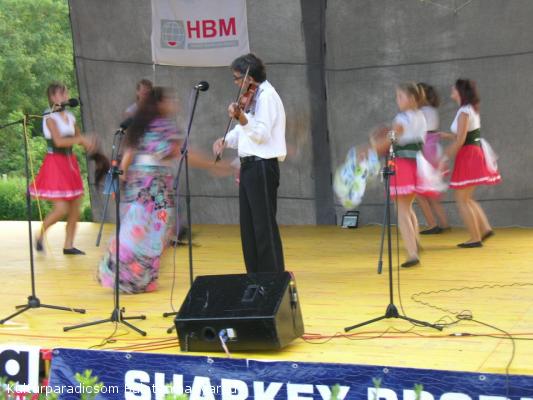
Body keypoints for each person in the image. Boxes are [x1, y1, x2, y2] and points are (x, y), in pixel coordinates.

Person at [98, 86, 226, 293]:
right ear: (158, 103)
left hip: (142, 182)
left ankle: (126, 275)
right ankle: (133, 277)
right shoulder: (160, 125)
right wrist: (212, 165)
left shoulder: (144, 124)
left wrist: (121, 179)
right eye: (170, 99)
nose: (175, 103)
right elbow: (179, 152)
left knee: (142, 228)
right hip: (152, 185)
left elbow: (129, 153)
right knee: (153, 229)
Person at [212, 53, 286, 274]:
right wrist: (225, 140)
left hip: (262, 165)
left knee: (264, 227)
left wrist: (242, 118)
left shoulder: (267, 96)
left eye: (238, 78)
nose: (236, 83)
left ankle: (272, 278)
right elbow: (243, 132)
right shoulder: (253, 97)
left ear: (250, 77)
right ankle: (254, 277)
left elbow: (261, 134)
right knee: (249, 228)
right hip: (249, 167)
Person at [373, 83, 443, 268]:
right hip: (416, 164)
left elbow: (392, 139)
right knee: (407, 207)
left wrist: (374, 145)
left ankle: (412, 253)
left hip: (403, 164)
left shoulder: (402, 117)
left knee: (402, 211)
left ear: (412, 98)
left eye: (400, 96)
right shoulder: (421, 116)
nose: (397, 100)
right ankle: (416, 243)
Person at [30, 82, 95, 255]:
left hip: (69, 163)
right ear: (53, 97)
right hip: (55, 164)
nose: (66, 96)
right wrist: (80, 140)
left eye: (66, 93)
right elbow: (58, 142)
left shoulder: (70, 117)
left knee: (75, 208)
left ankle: (68, 245)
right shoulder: (49, 116)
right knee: (61, 209)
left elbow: (78, 137)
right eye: (62, 94)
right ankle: (39, 235)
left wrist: (88, 143)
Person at [443, 79, 501, 248]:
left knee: (461, 199)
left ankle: (475, 238)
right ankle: (485, 229)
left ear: (460, 91)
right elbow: (465, 135)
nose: (452, 89)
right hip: (472, 152)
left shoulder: (464, 111)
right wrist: (446, 136)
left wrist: (444, 157)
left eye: (454, 88)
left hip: (469, 155)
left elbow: (461, 140)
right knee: (466, 198)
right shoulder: (469, 109)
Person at [416, 83, 450, 234]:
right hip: (434, 149)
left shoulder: (421, 112)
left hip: (425, 151)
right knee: (432, 192)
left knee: (420, 192)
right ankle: (444, 223)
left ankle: (432, 224)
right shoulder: (433, 111)